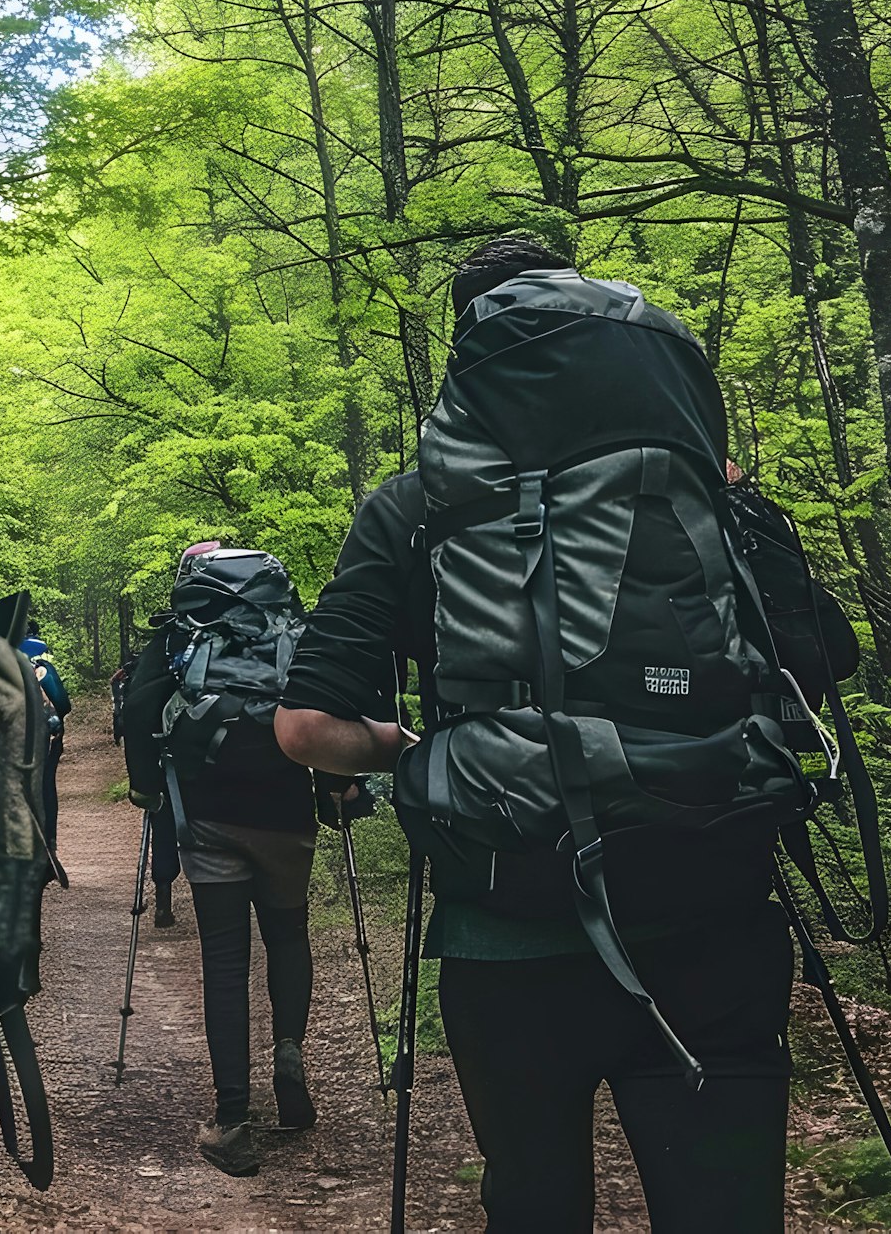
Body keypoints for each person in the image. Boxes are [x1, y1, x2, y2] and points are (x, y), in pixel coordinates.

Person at [275, 234, 814, 1234]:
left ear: (468, 353)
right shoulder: (709, 490)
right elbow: (817, 667)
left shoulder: (416, 507)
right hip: (717, 908)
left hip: (510, 925)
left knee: (533, 1203)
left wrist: (408, 752)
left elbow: (305, 726)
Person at [122, 542, 317, 1179]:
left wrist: (147, 787)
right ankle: (289, 1055)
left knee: (225, 960)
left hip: (208, 819)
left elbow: (141, 708)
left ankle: (232, 1119)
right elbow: (336, 700)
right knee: (288, 935)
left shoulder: (181, 632)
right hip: (289, 814)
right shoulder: (294, 628)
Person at [113, 648, 182, 927]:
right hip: (201, 763)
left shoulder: (155, 658)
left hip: (160, 763)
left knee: (162, 823)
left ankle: (163, 902)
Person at [21, 619, 71, 854]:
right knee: (45, 784)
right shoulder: (41, 658)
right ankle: (50, 841)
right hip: (47, 733)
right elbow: (62, 702)